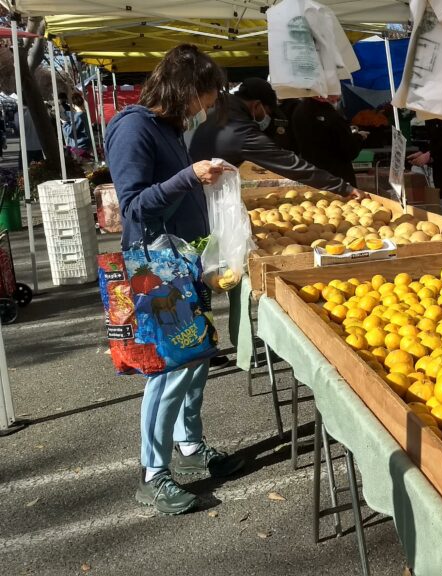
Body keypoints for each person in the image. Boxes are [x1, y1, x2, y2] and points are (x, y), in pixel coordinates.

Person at [104, 44, 245, 516]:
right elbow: (133, 206)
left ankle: (189, 445)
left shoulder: (168, 127)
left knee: (195, 358)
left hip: (185, 262)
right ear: (184, 89)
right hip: (155, 268)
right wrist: (189, 176)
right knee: (170, 368)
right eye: (206, 94)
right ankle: (152, 473)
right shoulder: (133, 127)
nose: (209, 104)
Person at [189, 78, 364, 197]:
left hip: (200, 188)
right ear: (257, 105)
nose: (268, 118)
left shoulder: (220, 112)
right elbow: (289, 164)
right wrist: (343, 188)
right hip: (208, 195)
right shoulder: (240, 131)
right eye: (268, 112)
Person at [289, 95, 365, 187]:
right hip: (337, 176)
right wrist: (359, 137)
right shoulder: (330, 115)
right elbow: (349, 150)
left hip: (311, 173)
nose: (337, 98)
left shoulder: (299, 110)